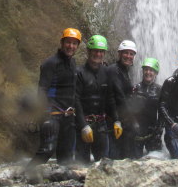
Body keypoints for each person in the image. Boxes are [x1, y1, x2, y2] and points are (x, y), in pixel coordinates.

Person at [27, 28, 81, 167]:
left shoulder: (72, 63)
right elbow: (42, 88)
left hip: (68, 116)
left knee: (66, 155)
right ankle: (26, 175)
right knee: (47, 149)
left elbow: (73, 90)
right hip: (52, 114)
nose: (71, 46)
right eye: (68, 42)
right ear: (62, 43)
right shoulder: (50, 63)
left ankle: (64, 180)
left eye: (74, 44)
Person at [75, 34, 115, 163]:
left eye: (101, 51)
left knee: (104, 163)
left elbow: (110, 98)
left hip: (101, 124)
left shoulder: (107, 72)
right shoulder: (79, 72)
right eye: (95, 51)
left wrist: (117, 120)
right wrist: (83, 125)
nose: (98, 54)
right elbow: (75, 100)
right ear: (88, 51)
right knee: (82, 164)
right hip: (83, 123)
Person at [106, 39, 137, 159]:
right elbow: (115, 96)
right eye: (126, 53)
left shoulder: (125, 71)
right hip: (114, 121)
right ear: (119, 53)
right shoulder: (114, 70)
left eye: (131, 54)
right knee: (115, 156)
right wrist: (116, 120)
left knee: (125, 155)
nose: (128, 56)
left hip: (123, 120)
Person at [130, 58, 163, 158]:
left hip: (153, 131)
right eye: (146, 69)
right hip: (137, 131)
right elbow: (129, 109)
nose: (148, 72)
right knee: (135, 161)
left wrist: (159, 129)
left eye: (151, 70)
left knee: (156, 161)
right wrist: (134, 124)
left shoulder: (159, 89)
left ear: (156, 73)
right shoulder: (135, 88)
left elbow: (162, 110)